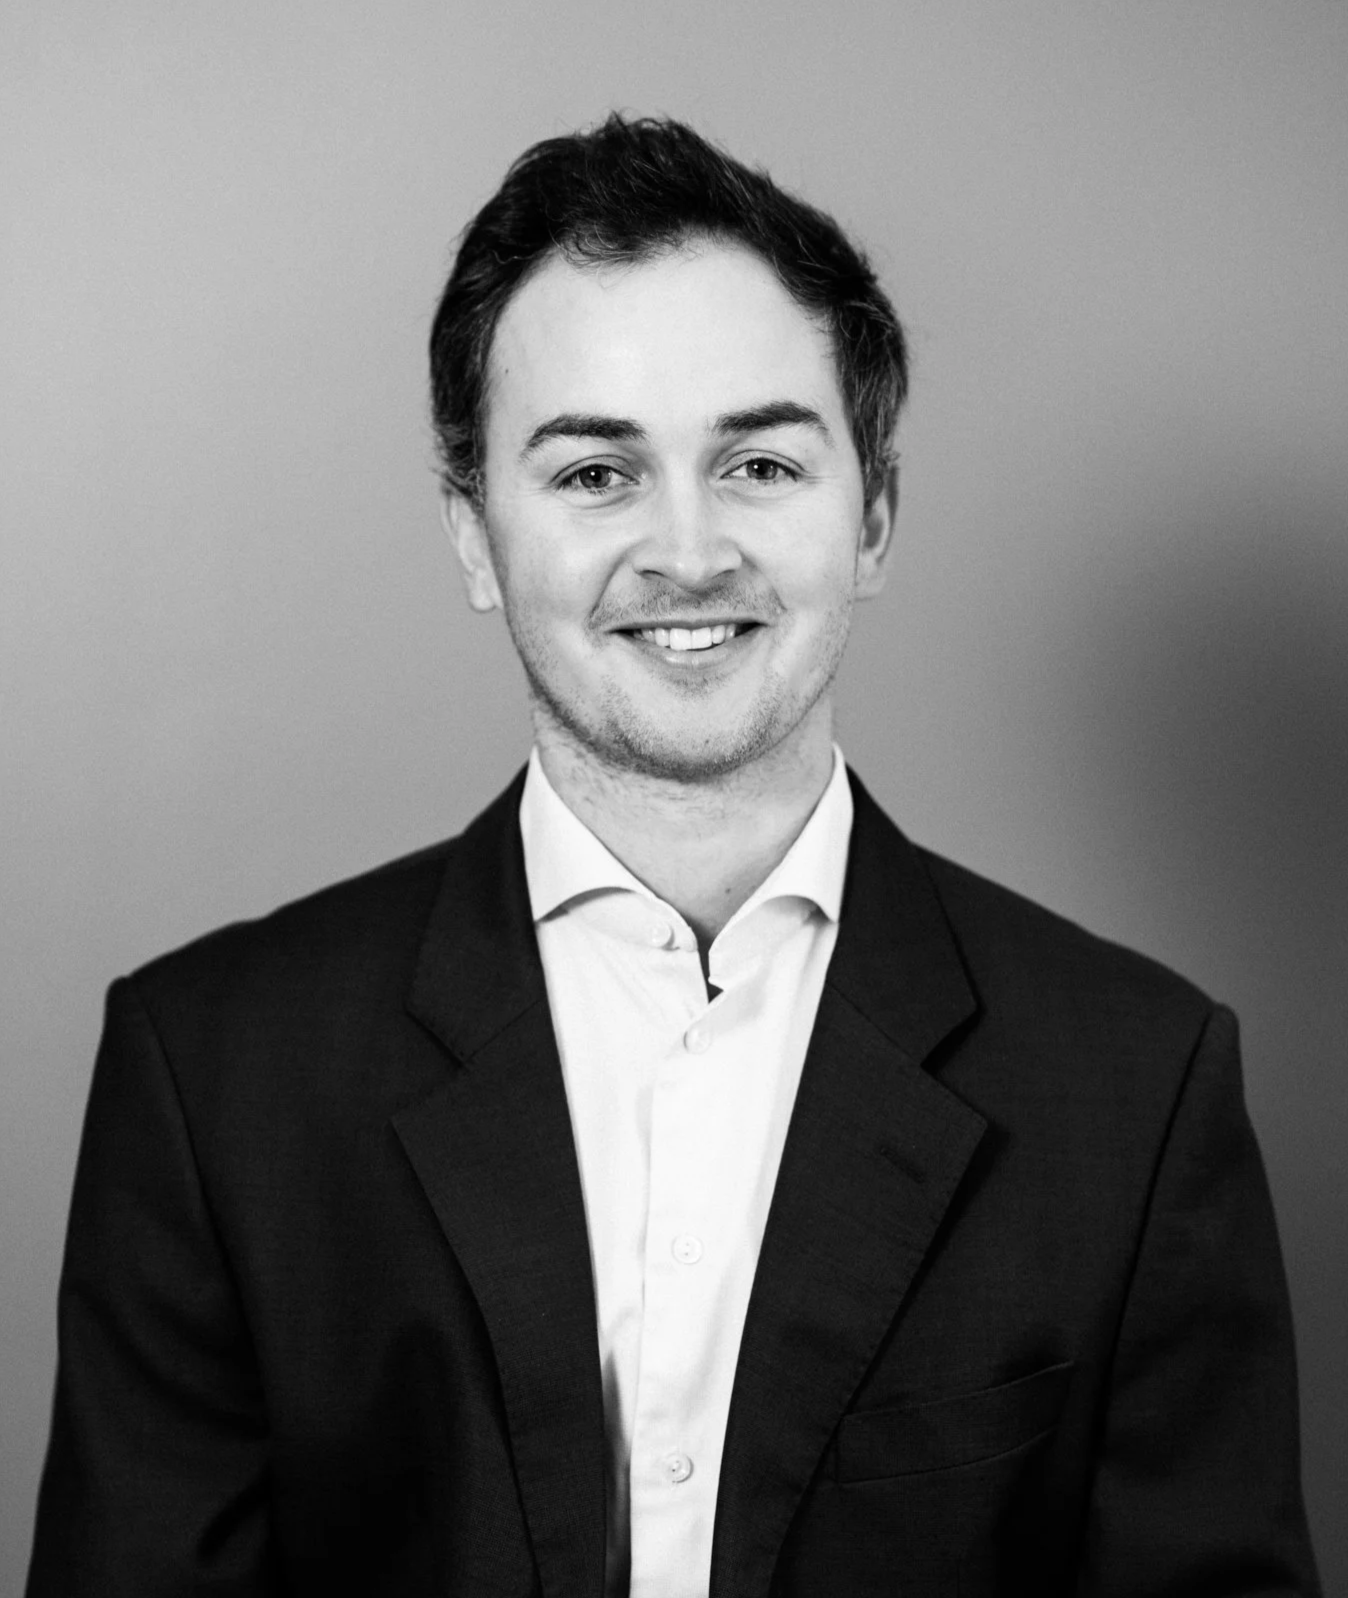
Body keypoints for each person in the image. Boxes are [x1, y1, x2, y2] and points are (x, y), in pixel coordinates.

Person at [27, 115, 1320, 1598]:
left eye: (759, 463)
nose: (689, 551)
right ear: (474, 536)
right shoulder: (212, 1078)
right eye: (596, 474)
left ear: (874, 517)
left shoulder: (1139, 1087)